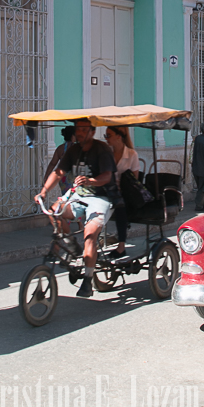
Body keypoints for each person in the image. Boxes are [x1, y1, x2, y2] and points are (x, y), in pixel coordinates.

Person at [35, 119, 116, 298]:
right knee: (55, 211)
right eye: (78, 129)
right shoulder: (73, 150)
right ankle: (72, 246)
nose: (79, 133)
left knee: (90, 234)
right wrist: (43, 191)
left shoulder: (101, 149)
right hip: (79, 196)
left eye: (84, 129)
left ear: (92, 131)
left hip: (101, 197)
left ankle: (87, 278)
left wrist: (90, 181)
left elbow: (107, 176)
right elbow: (59, 172)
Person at [104, 126, 139, 259]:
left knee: (120, 206)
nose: (106, 138)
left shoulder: (131, 154)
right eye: (105, 135)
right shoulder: (107, 153)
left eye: (108, 135)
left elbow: (134, 180)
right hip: (109, 190)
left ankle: (121, 246)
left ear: (118, 136)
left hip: (125, 193)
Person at [44, 126, 76, 194]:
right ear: (73, 136)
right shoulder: (76, 148)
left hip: (63, 177)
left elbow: (53, 163)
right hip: (74, 177)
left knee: (66, 197)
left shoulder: (60, 148)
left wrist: (46, 176)